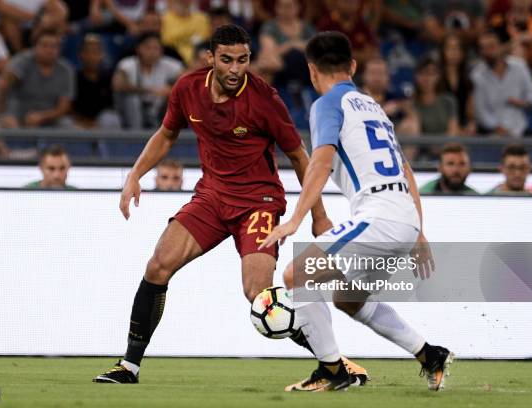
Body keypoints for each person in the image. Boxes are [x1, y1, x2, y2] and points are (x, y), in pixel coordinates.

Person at [93, 24, 367, 385]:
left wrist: (319, 216)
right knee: (158, 266)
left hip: (259, 202)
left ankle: (335, 365)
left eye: (243, 60)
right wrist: (134, 175)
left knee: (258, 296)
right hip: (212, 197)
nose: (236, 69)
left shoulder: (265, 100)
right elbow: (167, 134)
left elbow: (301, 157)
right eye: (227, 60)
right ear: (210, 59)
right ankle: (128, 367)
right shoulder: (188, 89)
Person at [260, 31, 453, 392]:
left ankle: (333, 372)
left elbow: (320, 160)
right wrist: (419, 231)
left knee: (295, 276)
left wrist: (296, 219)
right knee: (348, 298)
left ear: (312, 71)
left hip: (377, 219)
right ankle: (430, 355)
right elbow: (405, 169)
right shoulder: (374, 108)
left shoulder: (327, 105)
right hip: (403, 221)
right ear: (353, 66)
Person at [0, 29, 75, 128]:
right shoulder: (23, 60)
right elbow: (4, 84)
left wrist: (42, 117)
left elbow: (63, 107)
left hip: (49, 117)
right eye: (44, 45)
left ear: (59, 49)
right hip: (19, 114)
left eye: (53, 46)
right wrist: (4, 114)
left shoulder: (66, 70)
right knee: (8, 123)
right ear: (35, 47)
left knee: (68, 125)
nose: (49, 50)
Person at [471, 30, 532, 137]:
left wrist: (523, 103)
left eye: (491, 46)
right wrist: (497, 127)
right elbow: (481, 112)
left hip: (523, 127)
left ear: (501, 47)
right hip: (493, 133)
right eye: (483, 48)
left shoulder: (519, 67)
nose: (488, 52)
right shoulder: (477, 75)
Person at [113, 31, 183, 129]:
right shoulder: (127, 63)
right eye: (148, 48)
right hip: (132, 111)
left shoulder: (168, 64)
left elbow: (186, 78)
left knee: (174, 97)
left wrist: (171, 89)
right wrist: (150, 90)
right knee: (132, 99)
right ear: (138, 48)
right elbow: (118, 85)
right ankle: (135, 135)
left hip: (158, 109)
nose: (152, 52)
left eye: (156, 48)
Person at [72, 34, 119, 129]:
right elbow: (69, 106)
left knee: (111, 119)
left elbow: (110, 106)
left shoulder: (109, 77)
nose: (91, 56)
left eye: (95, 52)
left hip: (100, 121)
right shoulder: (74, 77)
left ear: (102, 55)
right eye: (87, 52)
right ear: (80, 54)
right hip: (78, 121)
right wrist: (84, 121)